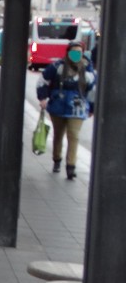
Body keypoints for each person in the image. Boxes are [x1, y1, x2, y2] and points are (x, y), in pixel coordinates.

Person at [36, 40, 96, 180]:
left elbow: (93, 90)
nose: (76, 55)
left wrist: (92, 108)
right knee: (58, 135)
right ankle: (57, 159)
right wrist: (43, 98)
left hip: (77, 108)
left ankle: (71, 167)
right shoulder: (57, 67)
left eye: (79, 52)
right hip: (58, 106)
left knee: (74, 136)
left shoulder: (88, 71)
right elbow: (42, 81)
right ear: (68, 52)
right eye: (73, 52)